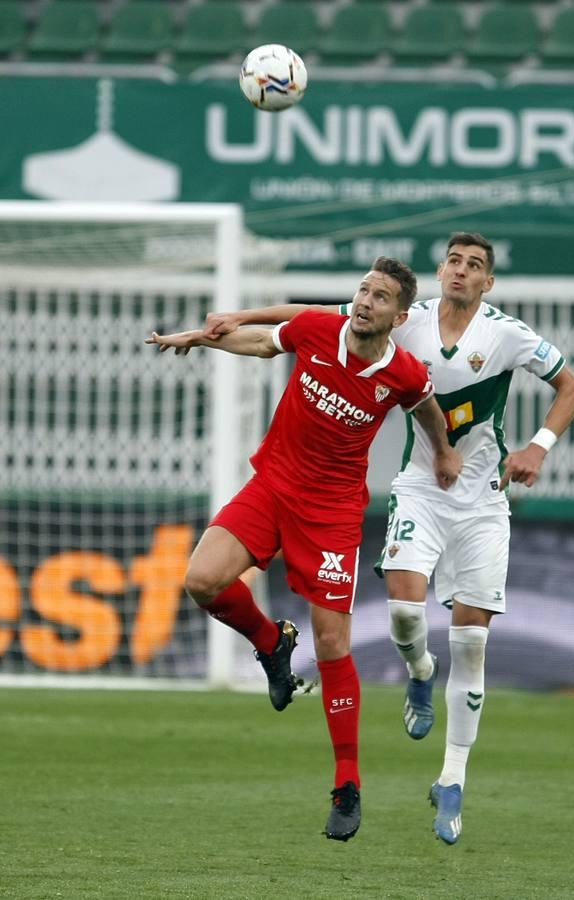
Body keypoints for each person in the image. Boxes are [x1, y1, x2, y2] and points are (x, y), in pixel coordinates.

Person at [201, 233, 574, 845]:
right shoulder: (407, 322)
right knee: (406, 616)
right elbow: (308, 322)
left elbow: (571, 387)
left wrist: (538, 447)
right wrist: (233, 320)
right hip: (419, 488)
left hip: (483, 499)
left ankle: (449, 778)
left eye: (475, 266)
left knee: (471, 644)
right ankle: (417, 668)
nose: (461, 271)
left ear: (488, 283)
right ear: (439, 271)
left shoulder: (507, 334)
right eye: (454, 261)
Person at [146, 257, 462, 843]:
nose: (367, 300)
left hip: (332, 515)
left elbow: (426, 409)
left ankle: (347, 784)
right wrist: (205, 337)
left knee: (335, 643)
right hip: (272, 486)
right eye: (364, 290)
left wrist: (443, 452)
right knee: (202, 580)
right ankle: (272, 644)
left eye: (382, 296)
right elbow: (267, 341)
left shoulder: (405, 373)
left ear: (398, 315)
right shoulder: (320, 330)